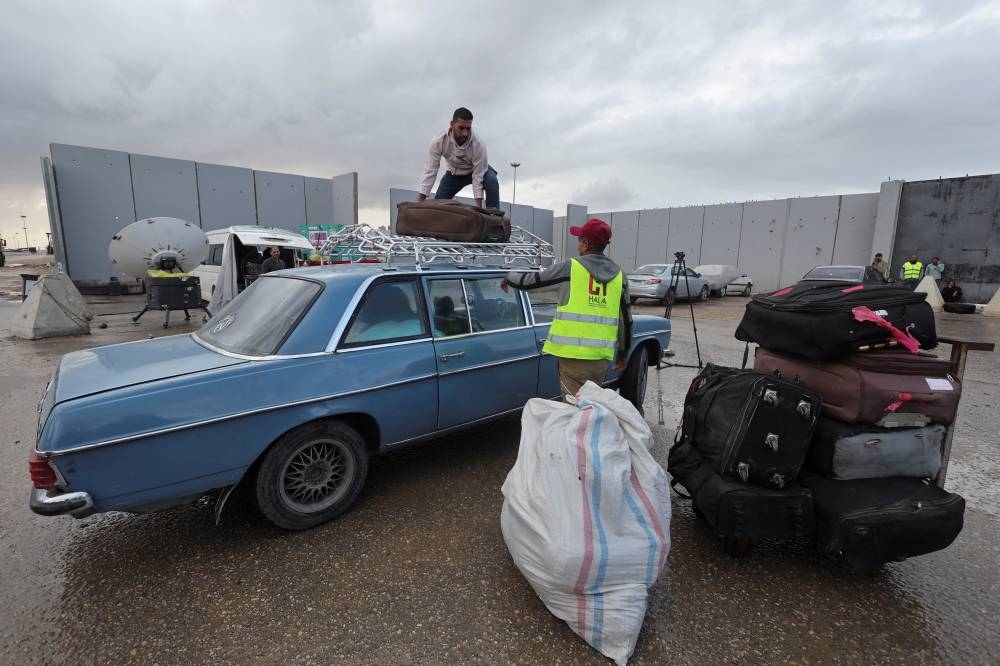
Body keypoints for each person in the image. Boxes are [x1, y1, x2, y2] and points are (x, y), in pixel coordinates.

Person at [501, 218, 632, 397]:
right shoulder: (620, 276)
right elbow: (626, 320)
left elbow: (530, 282)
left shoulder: (571, 268)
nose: (578, 245)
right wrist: (623, 353)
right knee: (590, 404)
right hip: (600, 359)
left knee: (575, 408)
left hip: (573, 358)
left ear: (586, 244)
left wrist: (509, 276)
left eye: (579, 240)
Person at [417, 107, 500, 209]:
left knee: (492, 181)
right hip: (454, 174)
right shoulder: (438, 141)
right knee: (438, 204)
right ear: (452, 124)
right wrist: (420, 199)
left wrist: (479, 209)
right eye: (461, 128)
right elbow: (430, 170)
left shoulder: (479, 145)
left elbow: (478, 176)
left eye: (468, 129)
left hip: (477, 171)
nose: (465, 133)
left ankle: (493, 215)